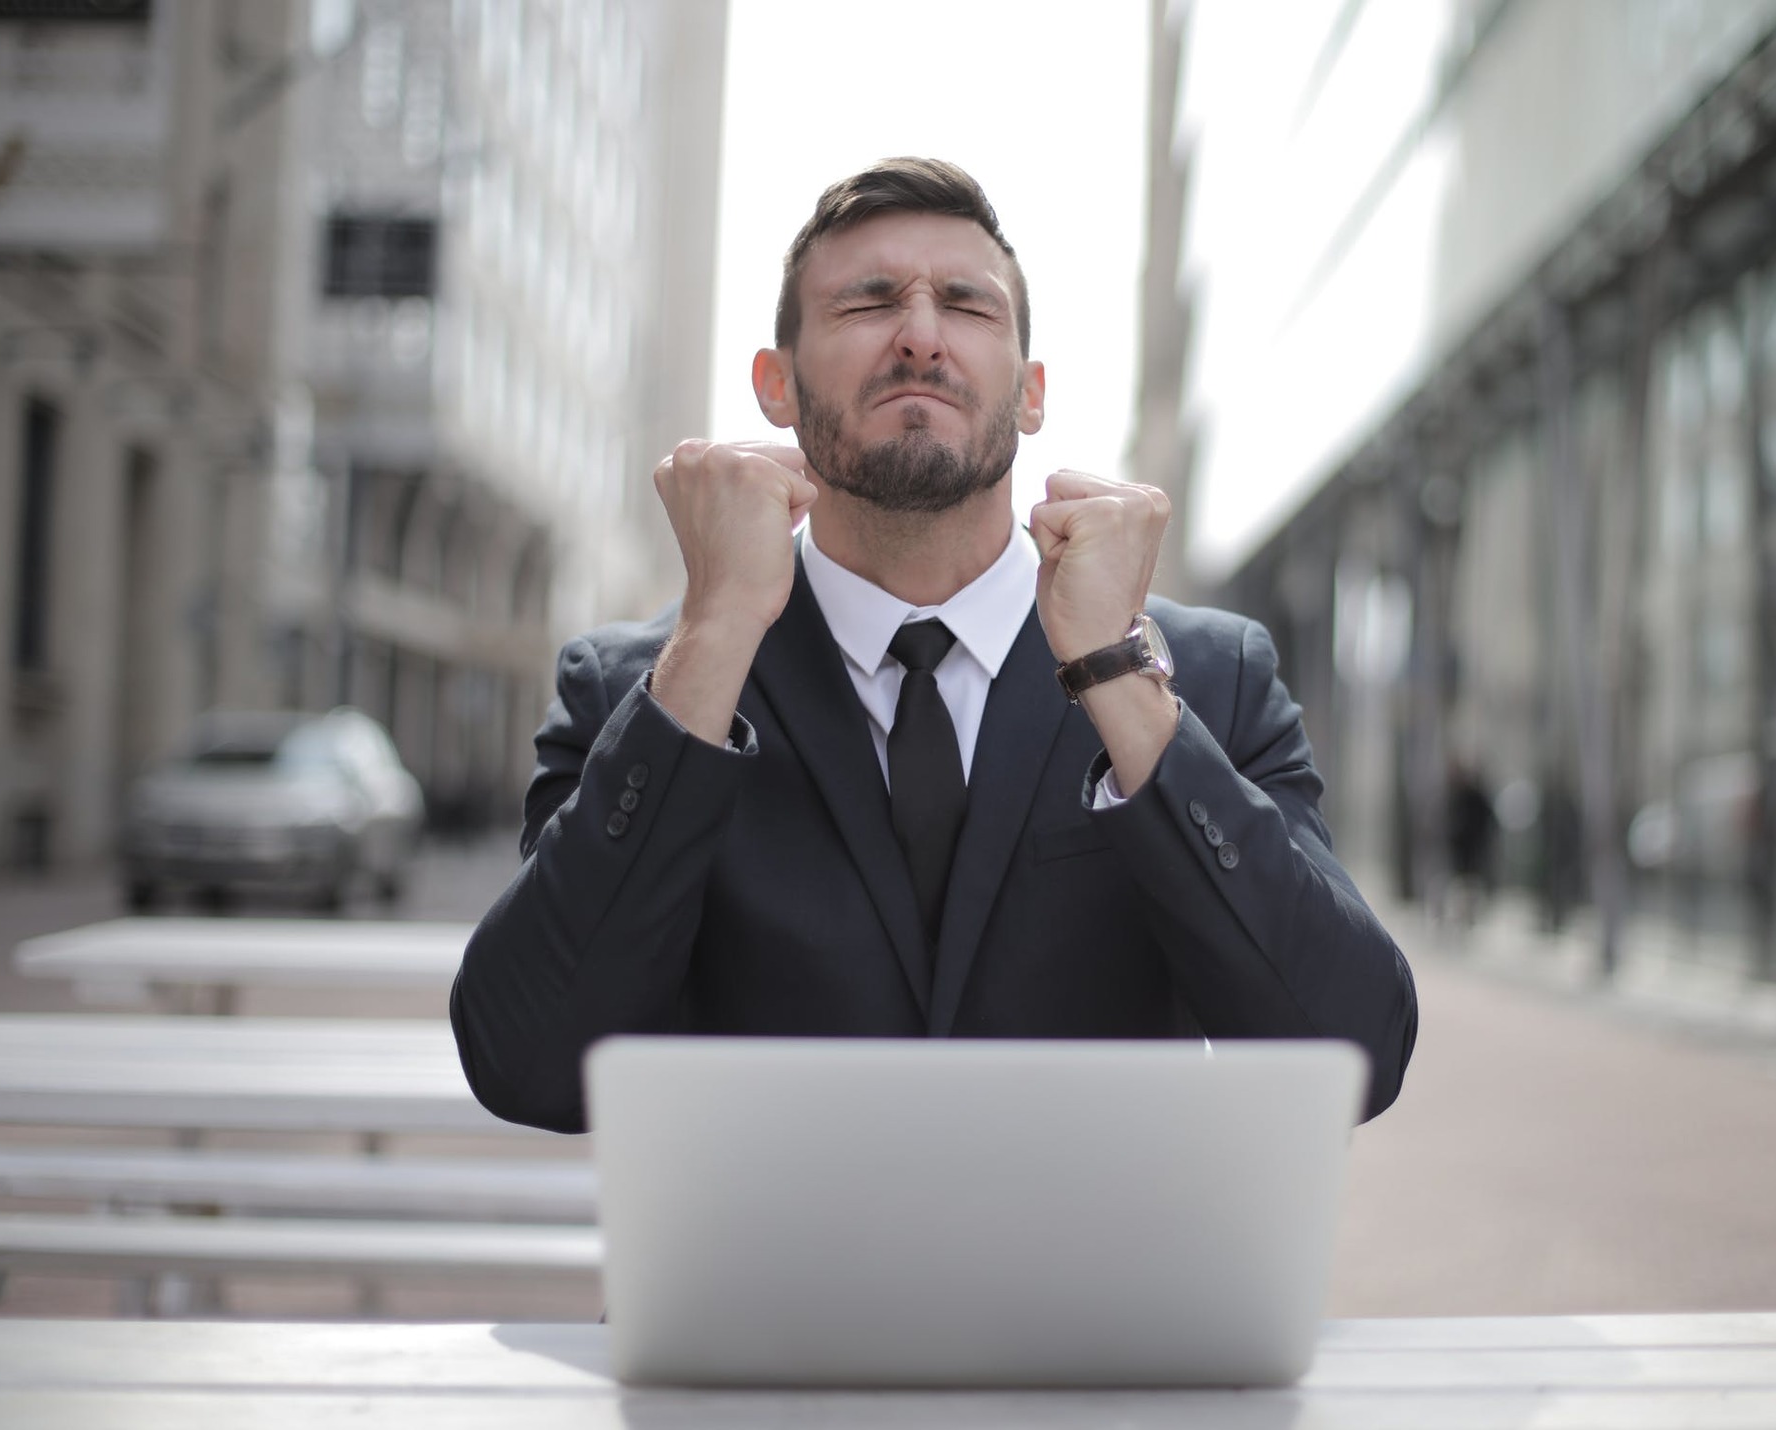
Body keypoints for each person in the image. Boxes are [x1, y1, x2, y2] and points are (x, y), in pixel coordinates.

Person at [451, 157, 1416, 1131]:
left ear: (1030, 394)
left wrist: (1114, 671)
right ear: (774, 385)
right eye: (867, 302)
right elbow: (526, 1061)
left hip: (1097, 1287)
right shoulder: (638, 687)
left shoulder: (1208, 676)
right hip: (756, 1288)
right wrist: (715, 632)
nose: (919, 336)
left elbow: (1350, 1054)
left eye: (965, 305)